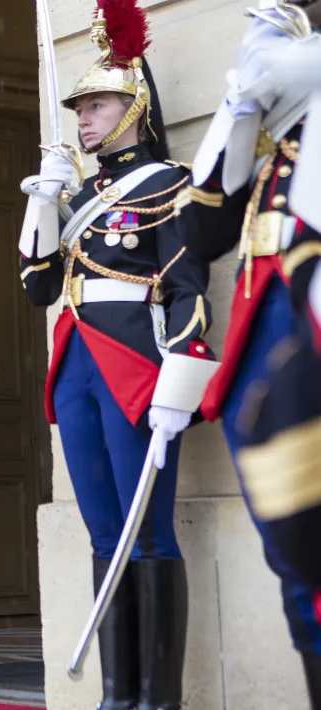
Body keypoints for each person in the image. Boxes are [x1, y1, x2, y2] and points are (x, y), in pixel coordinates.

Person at [17, 2, 219, 707]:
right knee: (105, 530)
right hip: (75, 366)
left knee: (148, 532)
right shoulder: (80, 193)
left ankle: (158, 699)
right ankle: (118, 695)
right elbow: (39, 286)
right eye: (79, 108)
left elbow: (189, 288)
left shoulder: (168, 183)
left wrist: (181, 382)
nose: (84, 118)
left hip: (136, 369)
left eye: (97, 104)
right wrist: (43, 206)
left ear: (133, 106)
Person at [184, 1, 321, 701]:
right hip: (264, 320)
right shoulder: (275, 82)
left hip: (309, 306)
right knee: (297, 555)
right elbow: (207, 229)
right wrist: (242, 105)